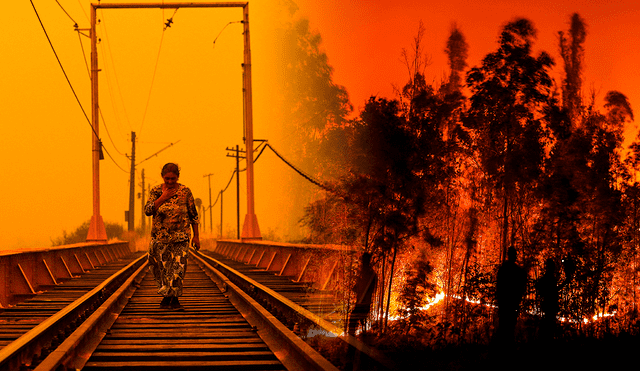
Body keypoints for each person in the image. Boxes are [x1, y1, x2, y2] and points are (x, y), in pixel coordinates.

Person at [145, 163, 200, 311]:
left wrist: (196, 237)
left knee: (178, 268)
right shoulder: (156, 191)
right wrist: (163, 197)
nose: (170, 182)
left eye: (173, 179)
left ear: (178, 177)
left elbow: (193, 215)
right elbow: (148, 210)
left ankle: (174, 299)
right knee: (162, 268)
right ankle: (166, 296)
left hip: (180, 237)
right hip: (160, 237)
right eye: (167, 178)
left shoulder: (185, 192)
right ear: (162, 177)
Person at [495, 246, 527, 345]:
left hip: (506, 304)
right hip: (511, 304)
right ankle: (506, 348)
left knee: (505, 327)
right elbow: (521, 287)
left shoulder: (504, 269)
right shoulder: (516, 270)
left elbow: (499, 286)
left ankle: (503, 348)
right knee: (509, 328)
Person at [347, 252, 377, 335]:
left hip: (364, 304)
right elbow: (357, 288)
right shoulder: (365, 274)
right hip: (361, 303)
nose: (362, 263)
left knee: (353, 320)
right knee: (354, 320)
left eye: (363, 261)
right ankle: (354, 339)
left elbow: (369, 290)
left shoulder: (370, 274)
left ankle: (352, 340)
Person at [536, 258, 558, 340]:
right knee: (549, 325)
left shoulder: (549, 277)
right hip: (550, 305)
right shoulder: (549, 277)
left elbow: (538, 285)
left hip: (548, 304)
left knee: (548, 324)